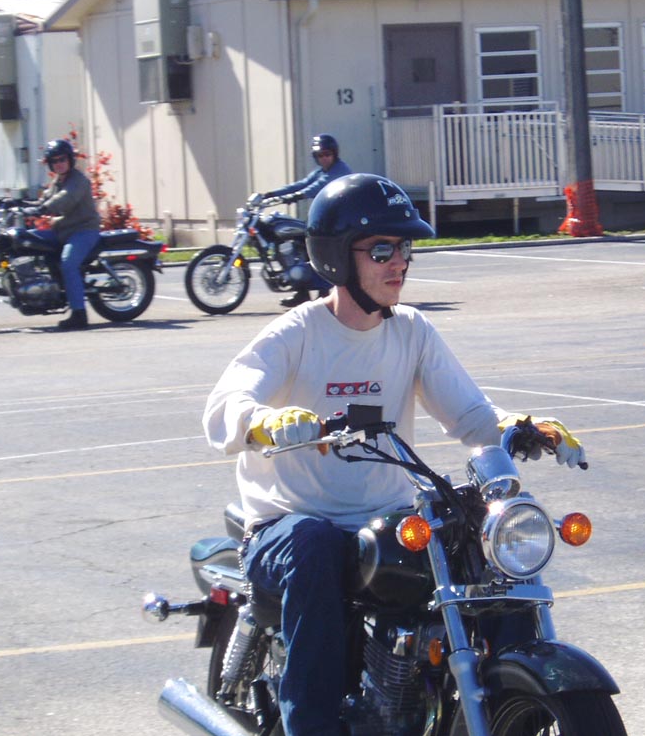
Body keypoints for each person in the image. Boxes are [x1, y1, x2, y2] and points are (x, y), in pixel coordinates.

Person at [203, 173, 586, 736]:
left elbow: (471, 415)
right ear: (337, 257)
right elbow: (223, 405)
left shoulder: (411, 331)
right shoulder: (298, 332)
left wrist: (521, 427)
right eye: (381, 250)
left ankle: (498, 693)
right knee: (314, 545)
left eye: (404, 248)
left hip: (383, 519)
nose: (399, 263)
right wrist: (262, 421)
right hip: (288, 522)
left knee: (477, 541)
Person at [251, 133, 352, 308]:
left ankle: (323, 293)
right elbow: (301, 184)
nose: (324, 158)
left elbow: (315, 187)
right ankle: (302, 293)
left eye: (327, 154)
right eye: (319, 155)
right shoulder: (321, 171)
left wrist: (296, 196)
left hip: (339, 219)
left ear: (334, 154)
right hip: (325, 217)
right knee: (297, 245)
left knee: (317, 248)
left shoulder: (339, 170)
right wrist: (271, 194)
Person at [23, 139, 102, 330]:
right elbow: (46, 199)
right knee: (29, 239)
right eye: (55, 161)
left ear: (70, 160)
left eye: (62, 159)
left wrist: (42, 209)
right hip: (65, 230)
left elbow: (65, 198)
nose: (59, 163)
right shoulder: (58, 181)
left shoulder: (78, 180)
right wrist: (19, 204)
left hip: (84, 230)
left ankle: (79, 314)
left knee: (68, 263)